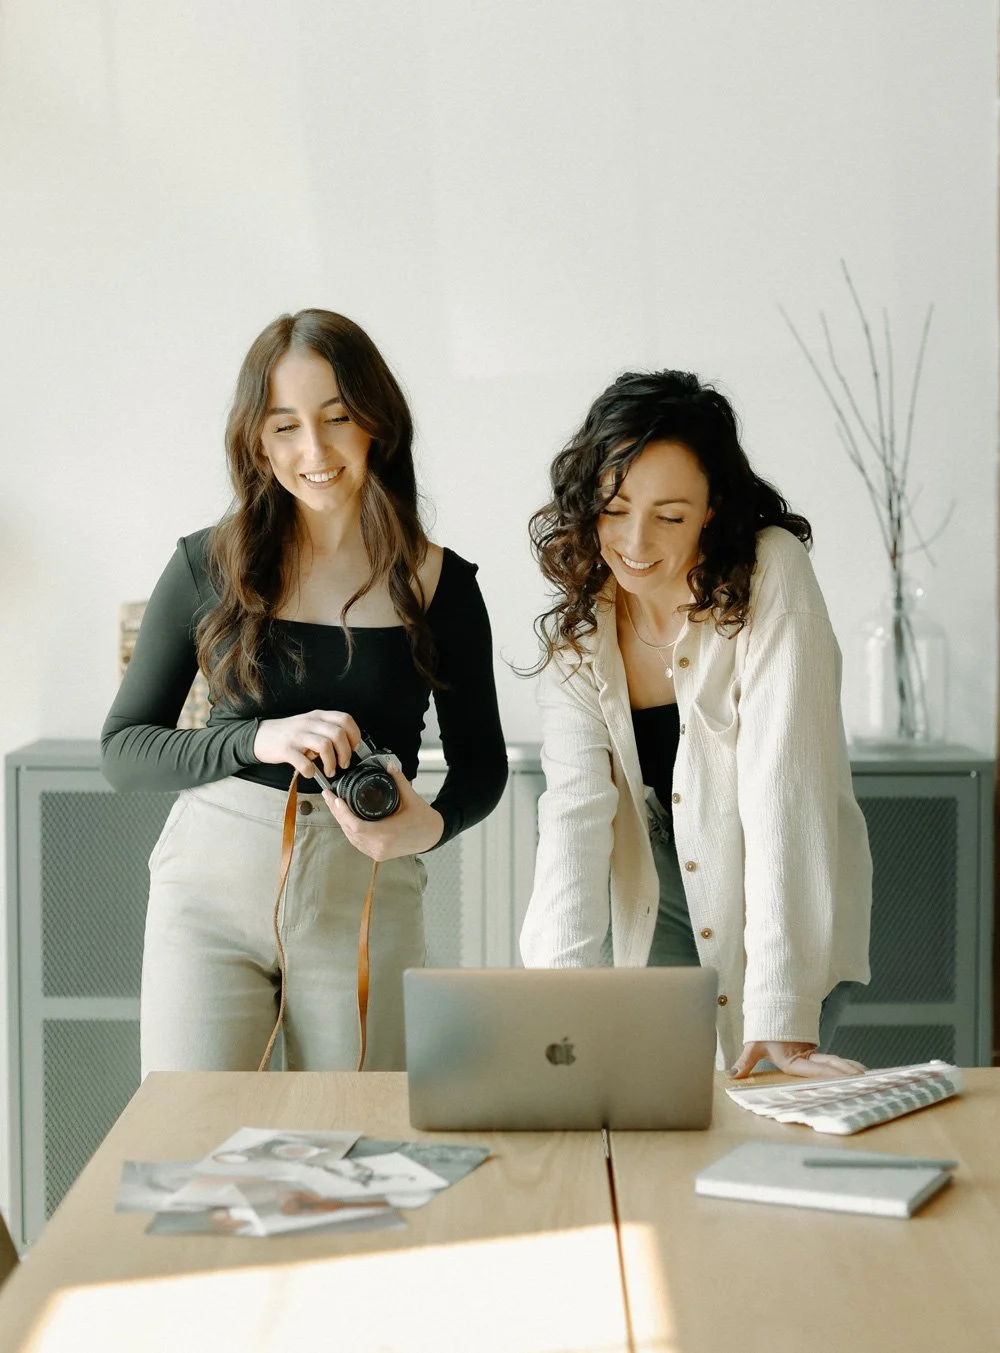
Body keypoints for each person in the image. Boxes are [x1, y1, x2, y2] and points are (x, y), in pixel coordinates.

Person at [102, 308, 508, 1076]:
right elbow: (123, 750)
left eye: (337, 418)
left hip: (365, 892)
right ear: (257, 439)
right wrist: (258, 738)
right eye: (284, 425)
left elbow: (482, 765)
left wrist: (429, 828)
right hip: (208, 896)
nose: (313, 451)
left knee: (356, 1147)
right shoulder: (206, 565)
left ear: (376, 426)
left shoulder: (440, 585)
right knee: (199, 1146)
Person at [519, 370, 871, 1080]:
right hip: (654, 890)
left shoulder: (772, 572)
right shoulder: (582, 621)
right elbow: (574, 819)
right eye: (614, 509)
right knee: (654, 1109)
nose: (635, 541)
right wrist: (550, 1012)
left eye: (670, 515)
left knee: (757, 1111)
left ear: (713, 508)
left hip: (777, 897)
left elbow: (785, 791)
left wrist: (781, 1009)